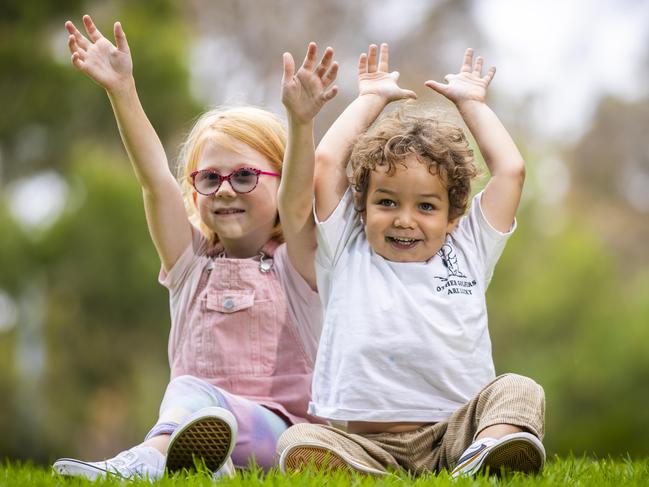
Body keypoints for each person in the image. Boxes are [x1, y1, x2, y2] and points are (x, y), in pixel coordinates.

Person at [53, 15, 338, 480]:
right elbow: (154, 182)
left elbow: (300, 199)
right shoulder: (190, 267)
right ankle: (206, 462)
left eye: (245, 175)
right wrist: (122, 90)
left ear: (282, 183)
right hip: (197, 425)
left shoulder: (297, 263)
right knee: (199, 406)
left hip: (289, 437)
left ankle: (145, 462)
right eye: (209, 178)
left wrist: (301, 123)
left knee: (194, 394)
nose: (225, 189)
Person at [276, 44, 546, 478]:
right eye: (386, 201)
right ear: (361, 207)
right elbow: (327, 162)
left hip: (455, 436)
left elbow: (510, 170)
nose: (405, 219)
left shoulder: (468, 247)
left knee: (520, 390)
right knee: (298, 440)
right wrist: (371, 98)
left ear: (453, 216)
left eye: (425, 207)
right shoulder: (346, 246)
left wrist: (472, 104)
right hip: (368, 442)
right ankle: (370, 473)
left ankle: (484, 454)